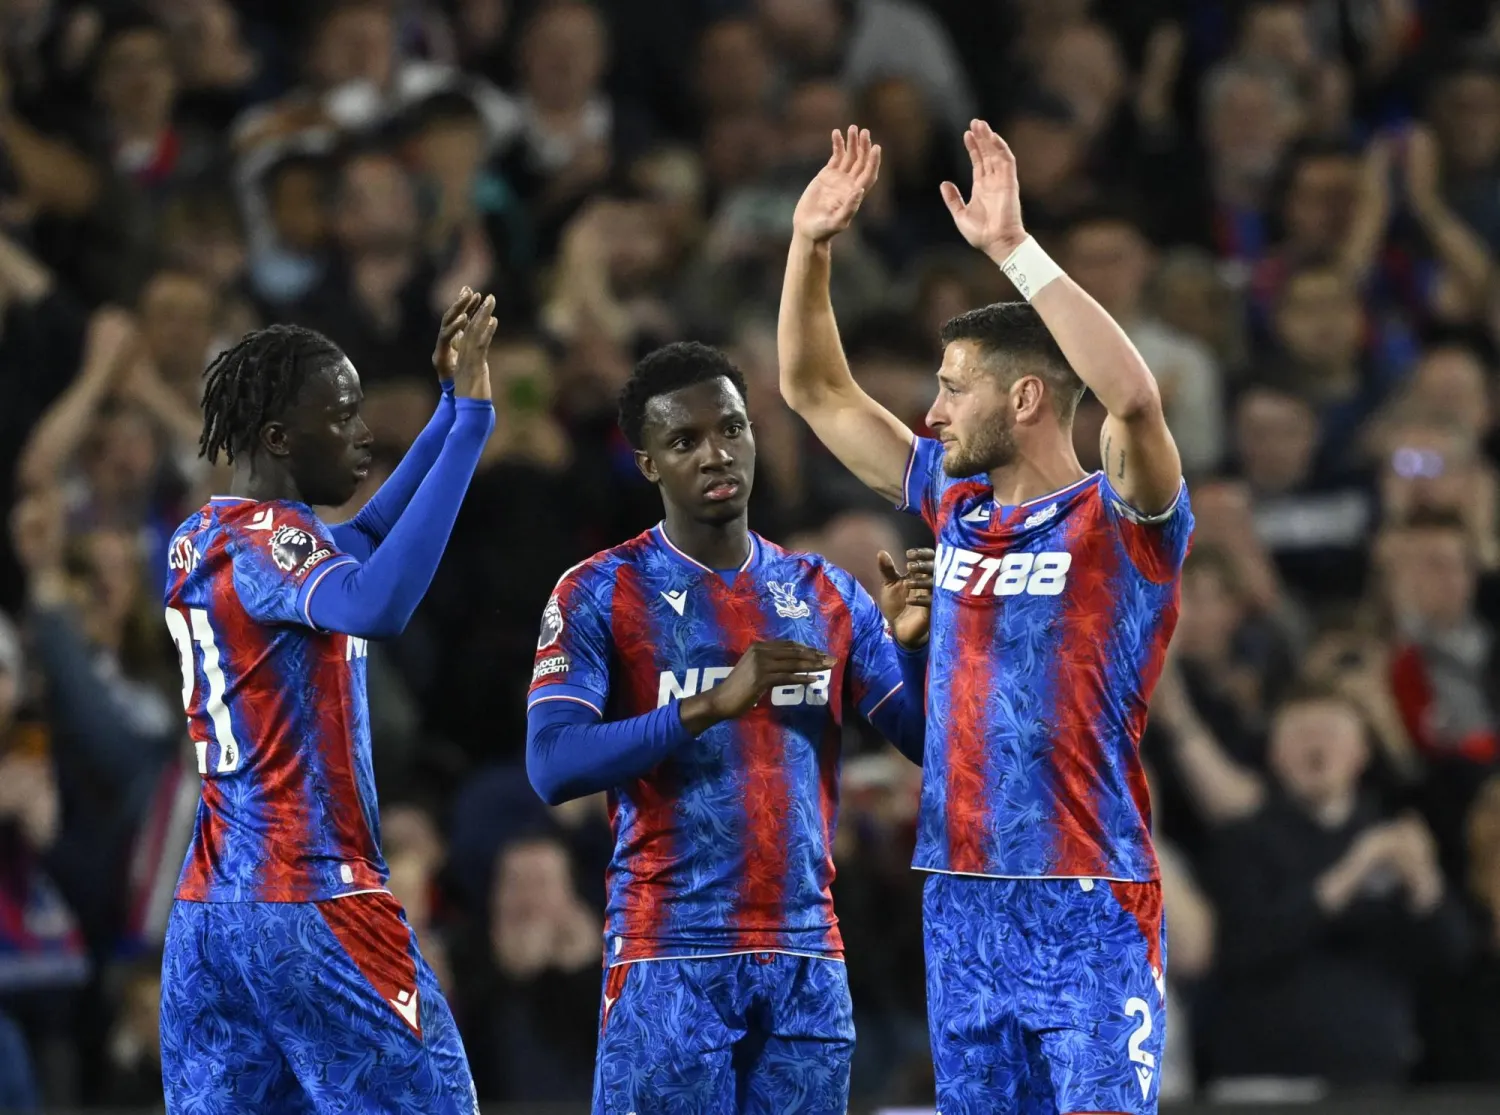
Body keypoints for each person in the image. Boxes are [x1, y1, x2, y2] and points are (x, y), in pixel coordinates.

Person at [779, 123, 1192, 1114]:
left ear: (1027, 396)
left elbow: (1134, 400)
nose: (931, 413)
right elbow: (814, 389)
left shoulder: (1119, 519)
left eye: (953, 389)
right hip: (959, 893)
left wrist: (1015, 248)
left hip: (1086, 891)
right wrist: (810, 244)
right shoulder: (952, 503)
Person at [524, 340, 934, 1114]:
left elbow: (927, 745)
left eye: (732, 428)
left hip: (807, 956)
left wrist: (914, 650)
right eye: (685, 440)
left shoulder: (825, 591)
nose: (717, 453)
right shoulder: (600, 591)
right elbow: (551, 763)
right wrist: (710, 704)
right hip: (668, 952)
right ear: (648, 463)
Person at [156, 287, 499, 1113]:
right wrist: (475, 426)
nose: (364, 433)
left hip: (211, 911)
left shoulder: (203, 535)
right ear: (279, 437)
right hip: (314, 898)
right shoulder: (275, 540)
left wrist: (450, 407)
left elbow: (368, 538)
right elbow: (378, 602)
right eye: (342, 416)